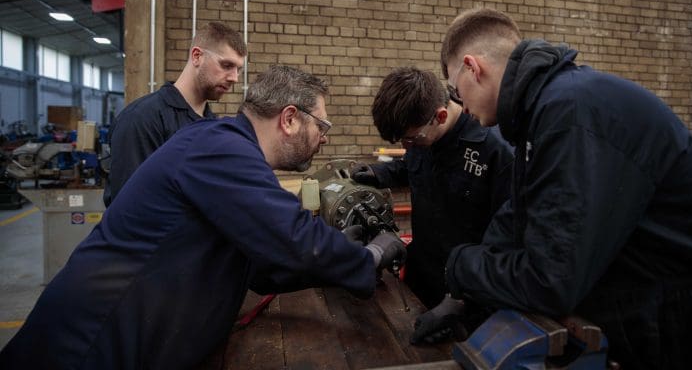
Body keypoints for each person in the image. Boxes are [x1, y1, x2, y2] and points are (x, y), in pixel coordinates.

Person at [0, 65, 406, 370]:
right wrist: (369, 256)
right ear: (289, 118)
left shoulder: (223, 146)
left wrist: (342, 255)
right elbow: (292, 235)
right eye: (323, 125)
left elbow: (260, 265)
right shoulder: (220, 147)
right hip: (91, 345)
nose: (325, 137)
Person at [439, 7, 692, 368]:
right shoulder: (545, 110)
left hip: (670, 313)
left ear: (472, 66)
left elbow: (550, 281)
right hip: (641, 298)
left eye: (454, 89)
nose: (459, 105)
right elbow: (518, 217)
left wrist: (461, 266)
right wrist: (462, 291)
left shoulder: (569, 115)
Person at [350, 66, 513, 344]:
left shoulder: (495, 151)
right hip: (422, 276)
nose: (408, 146)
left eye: (411, 139)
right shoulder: (424, 140)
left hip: (469, 299)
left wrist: (463, 301)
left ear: (439, 116)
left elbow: (508, 243)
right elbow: (413, 167)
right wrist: (381, 173)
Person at [103, 21, 248, 206]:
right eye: (226, 65)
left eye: (239, 69)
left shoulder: (211, 124)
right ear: (197, 56)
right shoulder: (142, 119)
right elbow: (128, 208)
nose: (234, 78)